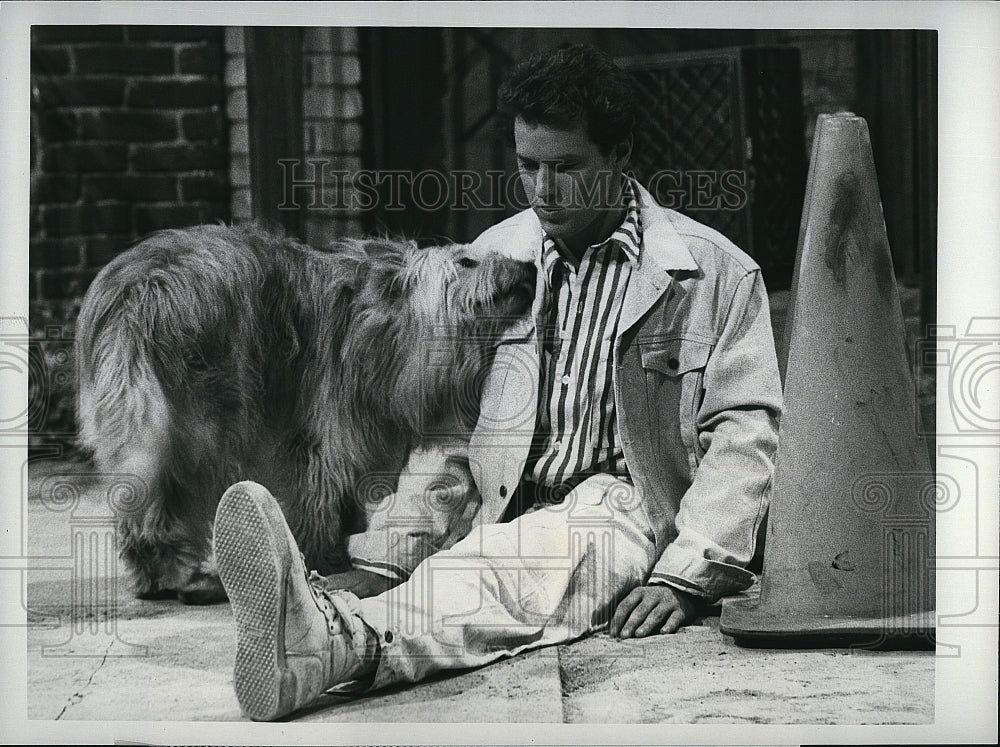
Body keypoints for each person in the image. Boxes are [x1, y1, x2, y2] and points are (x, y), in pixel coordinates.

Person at [213, 43, 782, 721]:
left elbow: (744, 438)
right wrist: (395, 552)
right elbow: (454, 432)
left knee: (505, 564)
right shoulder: (495, 257)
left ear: (621, 155)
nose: (543, 190)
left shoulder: (716, 275)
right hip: (503, 505)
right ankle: (329, 624)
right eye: (528, 166)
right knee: (482, 561)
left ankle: (340, 643)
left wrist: (686, 573)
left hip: (626, 509)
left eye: (567, 167)